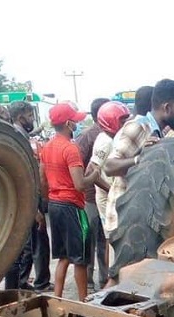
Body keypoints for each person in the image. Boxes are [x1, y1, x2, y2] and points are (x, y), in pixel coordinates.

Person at [103, 79, 174, 284]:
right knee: (123, 277)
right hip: (126, 215)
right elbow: (109, 166)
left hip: (143, 213)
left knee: (140, 277)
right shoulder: (138, 128)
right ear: (166, 107)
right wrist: (139, 158)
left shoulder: (159, 132)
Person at [39, 102, 99, 300]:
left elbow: (42, 179)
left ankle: (56, 298)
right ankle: (83, 301)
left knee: (63, 257)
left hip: (55, 205)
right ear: (68, 124)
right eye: (74, 121)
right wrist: (94, 174)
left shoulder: (46, 148)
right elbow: (80, 184)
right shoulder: (70, 149)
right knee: (80, 258)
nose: (76, 124)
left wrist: (48, 200)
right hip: (72, 206)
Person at [5, 100, 52, 292]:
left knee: (27, 248)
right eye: (30, 116)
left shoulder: (21, 135)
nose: (32, 119)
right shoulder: (18, 137)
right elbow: (22, 177)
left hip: (26, 201)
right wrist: (34, 209)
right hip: (25, 202)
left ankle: (21, 286)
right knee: (24, 250)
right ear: (20, 116)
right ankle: (17, 290)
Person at [75, 97, 110, 292]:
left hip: (99, 195)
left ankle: (104, 279)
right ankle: (90, 279)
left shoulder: (108, 134)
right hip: (90, 197)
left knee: (102, 239)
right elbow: (79, 166)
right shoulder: (89, 136)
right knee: (90, 240)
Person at [87, 101, 130, 252]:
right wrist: (111, 189)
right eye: (122, 120)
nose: (125, 124)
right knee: (112, 239)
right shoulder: (105, 141)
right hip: (106, 198)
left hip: (114, 196)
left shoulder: (114, 138)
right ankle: (109, 274)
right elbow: (91, 171)